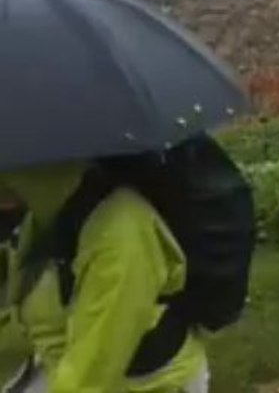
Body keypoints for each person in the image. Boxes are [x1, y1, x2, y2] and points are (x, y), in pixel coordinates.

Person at [0, 162, 209, 393]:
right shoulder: (44, 216)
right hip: (61, 366)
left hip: (145, 385)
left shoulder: (122, 232)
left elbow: (95, 367)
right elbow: (19, 309)